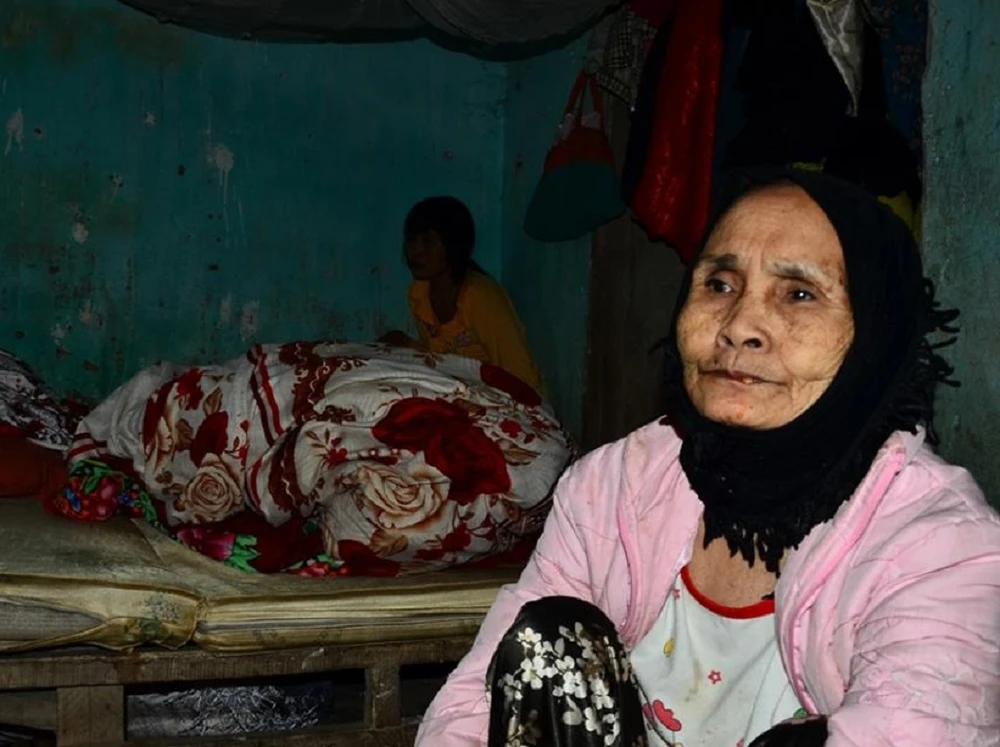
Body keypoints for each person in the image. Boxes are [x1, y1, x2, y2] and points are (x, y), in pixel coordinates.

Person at [415, 166, 1000, 747]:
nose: (739, 326)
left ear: (875, 331)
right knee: (547, 639)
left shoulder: (942, 549)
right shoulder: (616, 484)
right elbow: (471, 706)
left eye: (799, 294)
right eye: (719, 284)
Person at [379, 196, 544, 394]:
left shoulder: (480, 298)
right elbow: (441, 360)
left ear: (454, 246)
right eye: (411, 240)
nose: (416, 251)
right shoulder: (419, 294)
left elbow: (521, 376)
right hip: (455, 389)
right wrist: (407, 345)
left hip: (497, 394)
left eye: (428, 241)